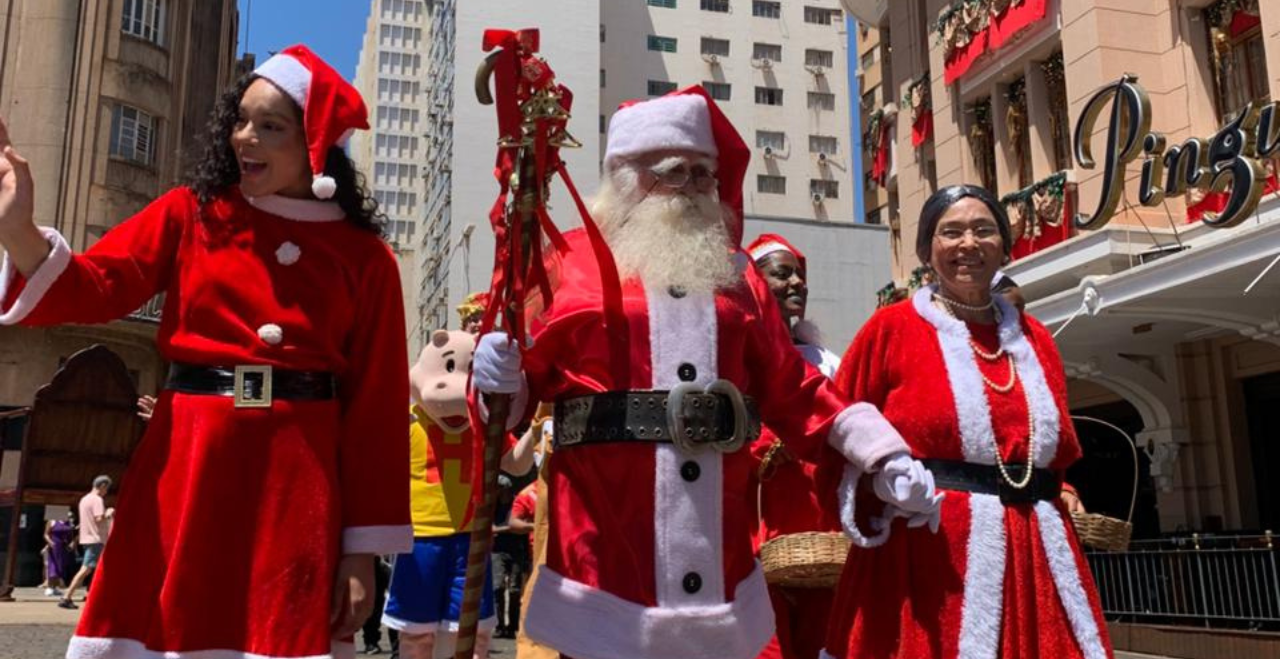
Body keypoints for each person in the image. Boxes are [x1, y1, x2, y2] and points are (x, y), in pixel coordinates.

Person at [471, 87, 941, 659]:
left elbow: (793, 388)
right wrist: (499, 380)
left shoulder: (738, 278)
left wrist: (879, 454)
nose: (696, 187)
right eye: (677, 172)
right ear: (627, 176)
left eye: (704, 174)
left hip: (719, 563)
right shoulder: (566, 264)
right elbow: (507, 407)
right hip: (599, 558)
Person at [0, 45, 411, 658]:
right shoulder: (189, 215)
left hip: (298, 483)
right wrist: (15, 228)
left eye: (270, 126)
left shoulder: (365, 260)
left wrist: (359, 550)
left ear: (315, 140)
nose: (245, 137)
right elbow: (94, 286)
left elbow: (375, 413)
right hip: (185, 464)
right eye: (240, 120)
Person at [822, 184, 1113, 659]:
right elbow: (835, 428)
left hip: (1035, 550)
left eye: (984, 230)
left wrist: (1064, 488)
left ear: (1003, 243)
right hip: (928, 551)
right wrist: (879, 485)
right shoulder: (891, 329)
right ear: (926, 250)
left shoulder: (1034, 338)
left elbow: (1054, 447)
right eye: (951, 232)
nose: (968, 244)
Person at [386, 330, 537, 659]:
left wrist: (535, 429)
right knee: (416, 636)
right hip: (419, 540)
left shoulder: (485, 428)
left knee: (472, 637)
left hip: (471, 539)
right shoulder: (407, 425)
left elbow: (516, 463)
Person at [744, 233, 841, 659]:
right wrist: (769, 447)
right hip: (756, 542)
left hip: (821, 544)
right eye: (782, 274)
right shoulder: (734, 354)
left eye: (800, 275)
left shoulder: (828, 362)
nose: (797, 283)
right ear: (754, 285)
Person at [59, 476, 113, 609]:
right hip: (96, 538)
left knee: (96, 569)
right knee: (86, 568)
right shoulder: (97, 500)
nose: (106, 492)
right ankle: (67, 596)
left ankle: (97, 595)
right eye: (107, 489)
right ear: (103, 486)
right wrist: (109, 512)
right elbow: (99, 518)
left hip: (87, 538)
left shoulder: (84, 499)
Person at [42, 509, 77, 597]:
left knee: (60, 567)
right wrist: (50, 542)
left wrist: (72, 543)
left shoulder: (68, 524)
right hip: (54, 546)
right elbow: (46, 534)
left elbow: (71, 536)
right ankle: (49, 587)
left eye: (71, 516)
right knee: (53, 566)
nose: (69, 517)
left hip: (64, 547)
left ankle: (55, 587)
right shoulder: (52, 521)